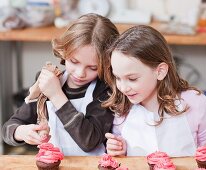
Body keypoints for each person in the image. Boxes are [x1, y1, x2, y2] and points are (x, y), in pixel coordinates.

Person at [102, 25, 206, 169]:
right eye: (118, 78)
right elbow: (122, 154)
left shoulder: (193, 102)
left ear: (160, 71)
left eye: (132, 79)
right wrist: (118, 149)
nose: (123, 87)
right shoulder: (122, 106)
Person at [2, 13, 119, 156]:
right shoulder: (48, 81)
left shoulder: (105, 90)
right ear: (64, 52)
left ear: (107, 64)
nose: (80, 73)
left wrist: (57, 95)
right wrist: (21, 132)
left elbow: (89, 141)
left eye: (93, 68)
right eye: (74, 61)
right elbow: (8, 129)